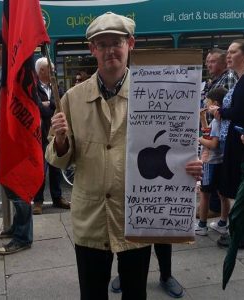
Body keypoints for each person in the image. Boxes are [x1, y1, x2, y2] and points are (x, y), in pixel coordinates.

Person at [46, 12, 203, 300]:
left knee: (135, 293)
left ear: (130, 43)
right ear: (92, 49)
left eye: (116, 42)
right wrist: (59, 141)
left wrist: (187, 165)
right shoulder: (72, 98)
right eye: (101, 44)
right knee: (92, 294)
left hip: (137, 218)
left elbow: (175, 144)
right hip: (90, 219)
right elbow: (57, 160)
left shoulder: (155, 93)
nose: (110, 50)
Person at [0, 28, 33, 255]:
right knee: (10, 189)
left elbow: (8, 113)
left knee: (16, 190)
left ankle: (23, 237)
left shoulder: (5, 77)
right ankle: (16, 228)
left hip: (3, 143)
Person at [208, 39, 244, 247]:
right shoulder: (240, 79)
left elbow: (239, 111)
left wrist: (219, 112)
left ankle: (240, 233)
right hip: (234, 141)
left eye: (233, 52)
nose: (228, 55)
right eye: (228, 52)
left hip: (240, 143)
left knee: (240, 186)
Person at [197, 48, 238, 219]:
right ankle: (215, 211)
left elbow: (225, 107)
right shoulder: (215, 80)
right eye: (207, 61)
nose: (208, 65)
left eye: (212, 61)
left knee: (211, 185)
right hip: (212, 132)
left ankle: (213, 210)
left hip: (216, 145)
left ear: (222, 63)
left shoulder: (228, 78)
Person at [32, 57, 70, 215]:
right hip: (39, 134)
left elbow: (59, 104)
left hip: (53, 132)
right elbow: (41, 110)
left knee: (55, 166)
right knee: (40, 169)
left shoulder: (57, 86)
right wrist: (48, 105)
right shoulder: (33, 88)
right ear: (41, 71)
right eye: (50, 68)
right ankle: (38, 201)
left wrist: (48, 104)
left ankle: (57, 197)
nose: (53, 71)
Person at [195, 87, 228, 236]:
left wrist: (199, 139)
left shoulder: (216, 121)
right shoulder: (221, 119)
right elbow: (211, 135)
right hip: (221, 162)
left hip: (211, 162)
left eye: (207, 102)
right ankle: (222, 223)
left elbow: (212, 144)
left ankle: (202, 225)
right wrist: (203, 120)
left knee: (204, 194)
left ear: (214, 103)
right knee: (223, 194)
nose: (205, 104)